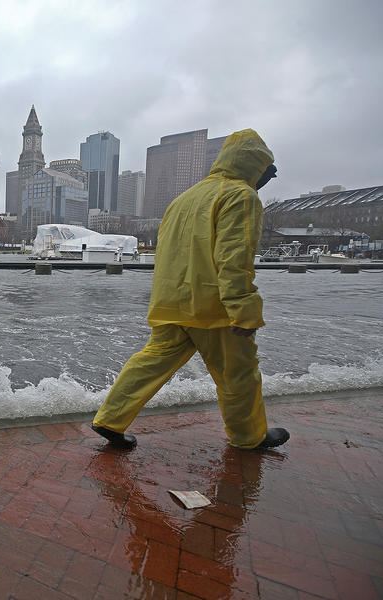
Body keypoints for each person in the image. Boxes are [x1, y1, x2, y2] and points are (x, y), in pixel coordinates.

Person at [92, 129, 288, 450]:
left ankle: (110, 419)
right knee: (238, 372)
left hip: (171, 302)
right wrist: (242, 310)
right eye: (265, 172)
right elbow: (234, 259)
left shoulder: (185, 198)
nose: (266, 180)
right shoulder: (241, 196)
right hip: (213, 307)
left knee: (150, 362)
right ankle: (249, 436)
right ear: (254, 167)